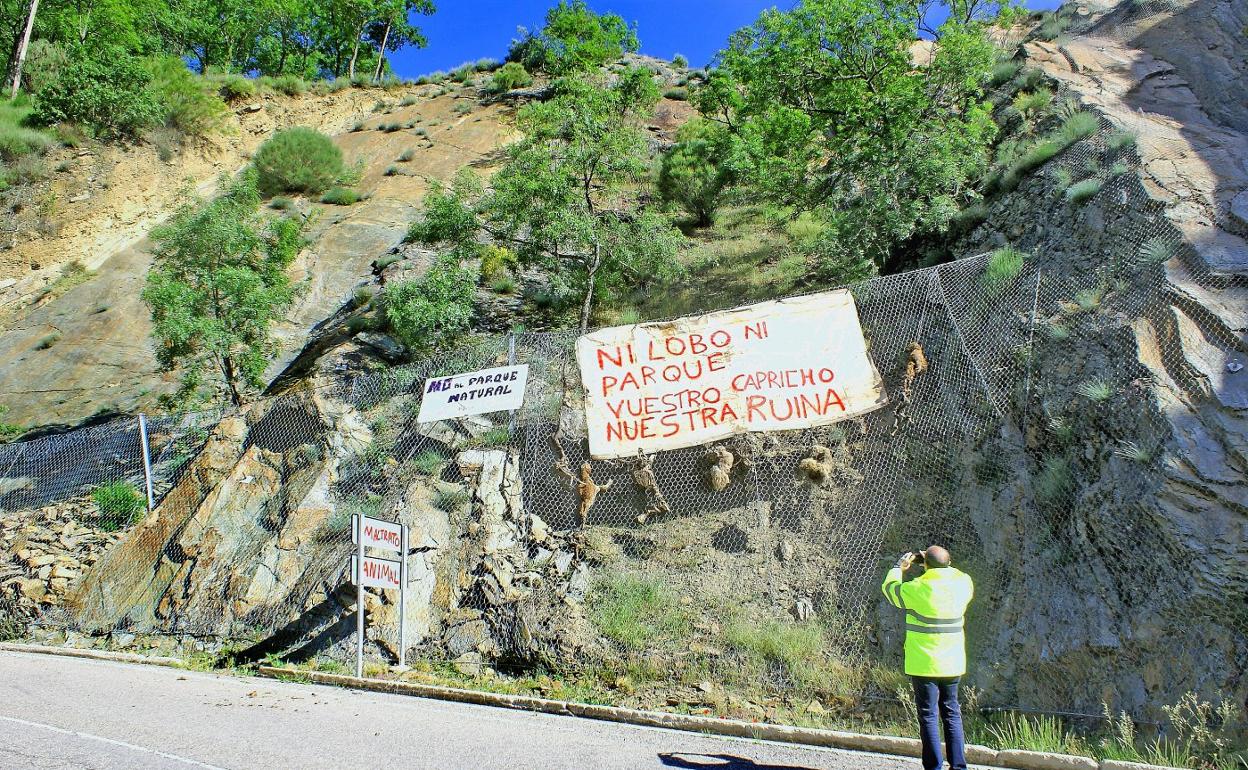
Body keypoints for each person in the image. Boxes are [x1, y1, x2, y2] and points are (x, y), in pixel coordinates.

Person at [881, 545, 975, 770]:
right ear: (949, 562)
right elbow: (948, 568)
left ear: (926, 565)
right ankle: (959, 766)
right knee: (952, 712)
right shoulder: (963, 583)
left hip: (924, 663)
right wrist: (932, 562)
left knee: (929, 715)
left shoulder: (919, 588)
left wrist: (899, 567)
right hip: (952, 662)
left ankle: (934, 767)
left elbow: (890, 589)